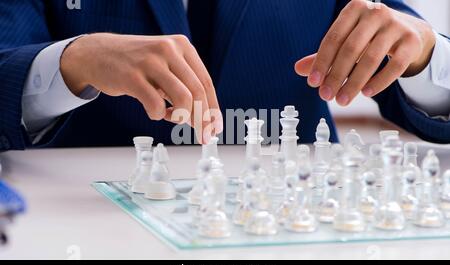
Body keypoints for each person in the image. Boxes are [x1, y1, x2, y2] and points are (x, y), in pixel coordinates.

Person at [0, 0, 449, 151]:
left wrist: (425, 53)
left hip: (298, 227)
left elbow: (399, 40)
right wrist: (70, 62)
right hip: (87, 227)